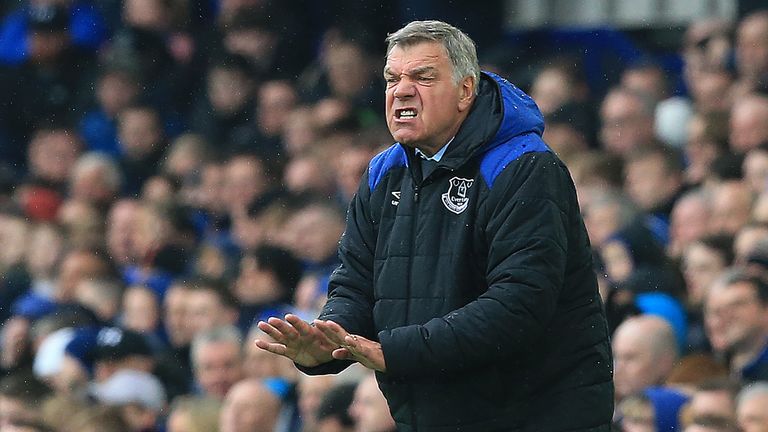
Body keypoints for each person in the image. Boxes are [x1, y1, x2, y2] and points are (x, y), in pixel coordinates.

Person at [256, 20, 613, 431]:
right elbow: (355, 282)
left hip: (535, 417)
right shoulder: (381, 173)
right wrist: (329, 338)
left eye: (422, 77)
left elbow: (519, 304)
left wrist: (396, 351)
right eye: (393, 78)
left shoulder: (524, 167)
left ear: (465, 91)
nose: (401, 90)